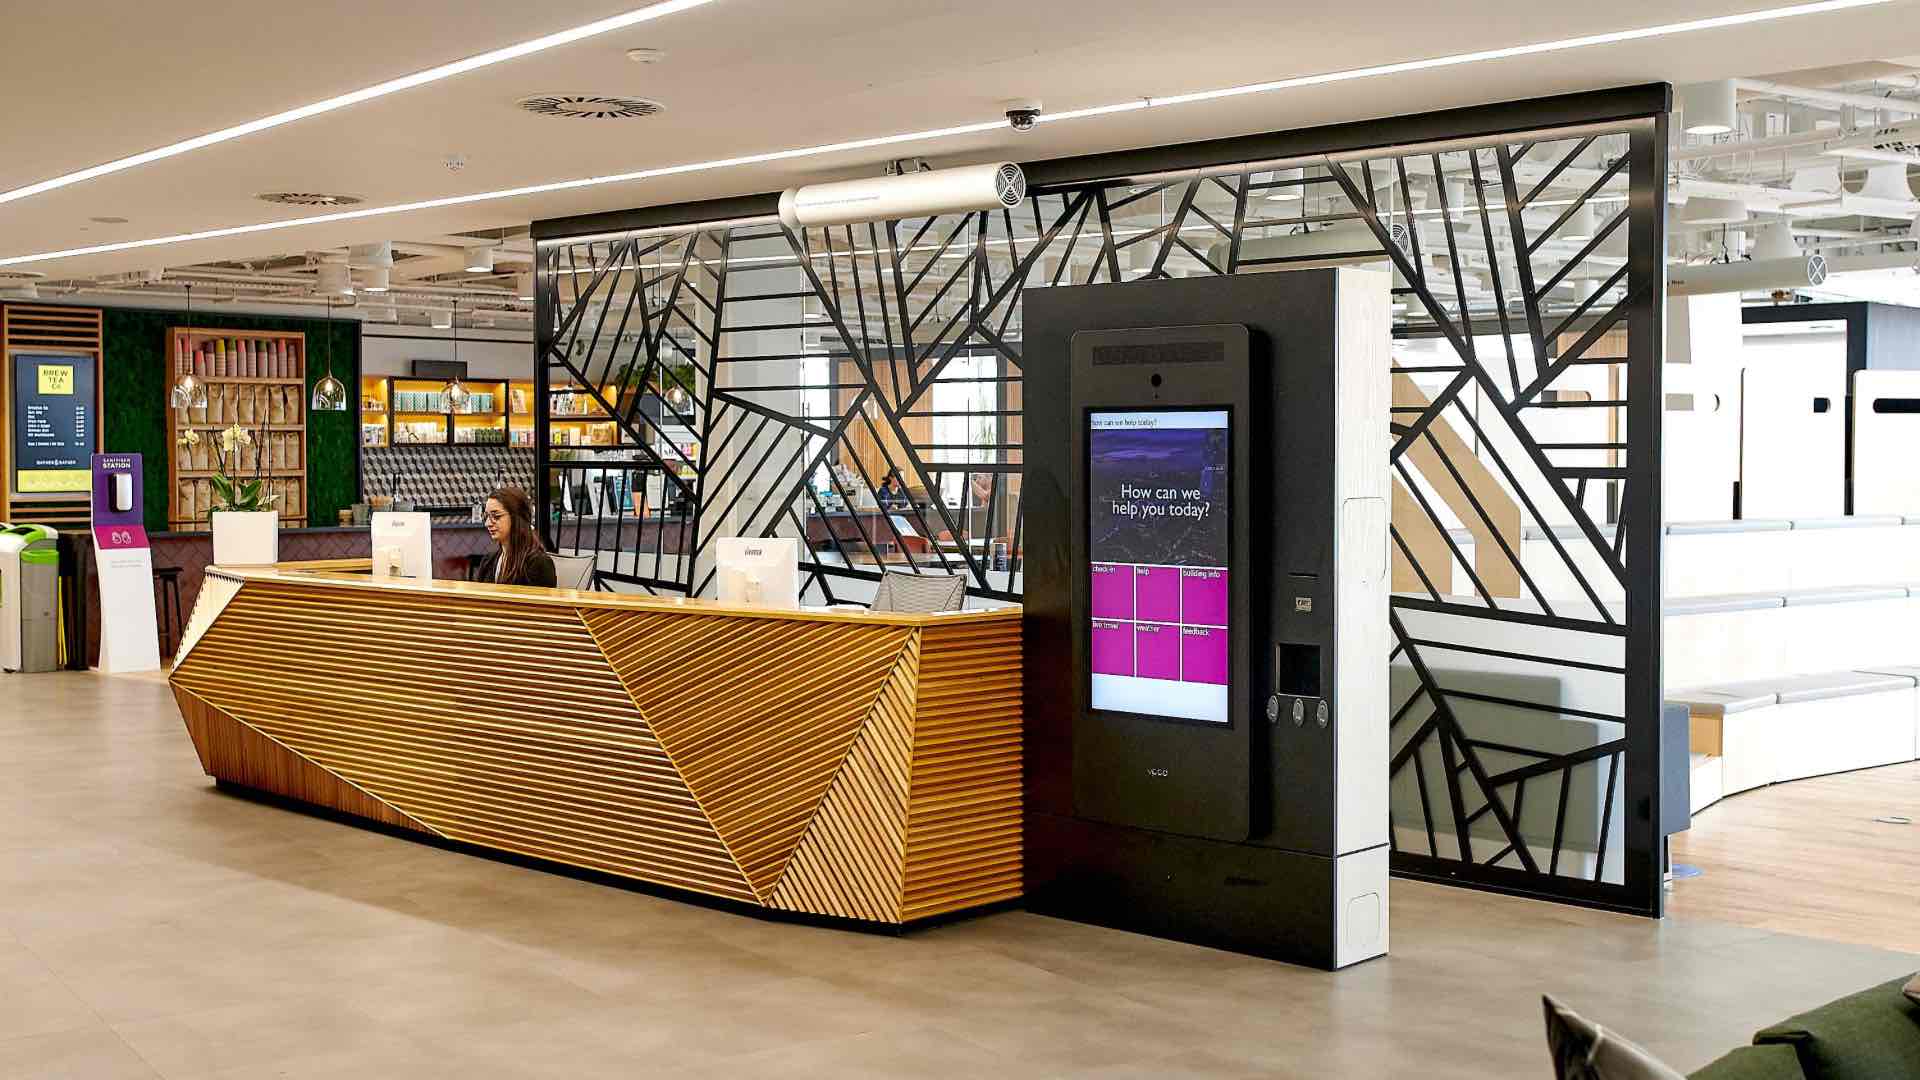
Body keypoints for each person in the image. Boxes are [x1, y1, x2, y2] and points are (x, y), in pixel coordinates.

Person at [478, 487, 557, 587]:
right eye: (486, 516)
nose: (488, 523)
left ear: (517, 518)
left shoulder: (539, 564)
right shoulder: (488, 562)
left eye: (496, 516)